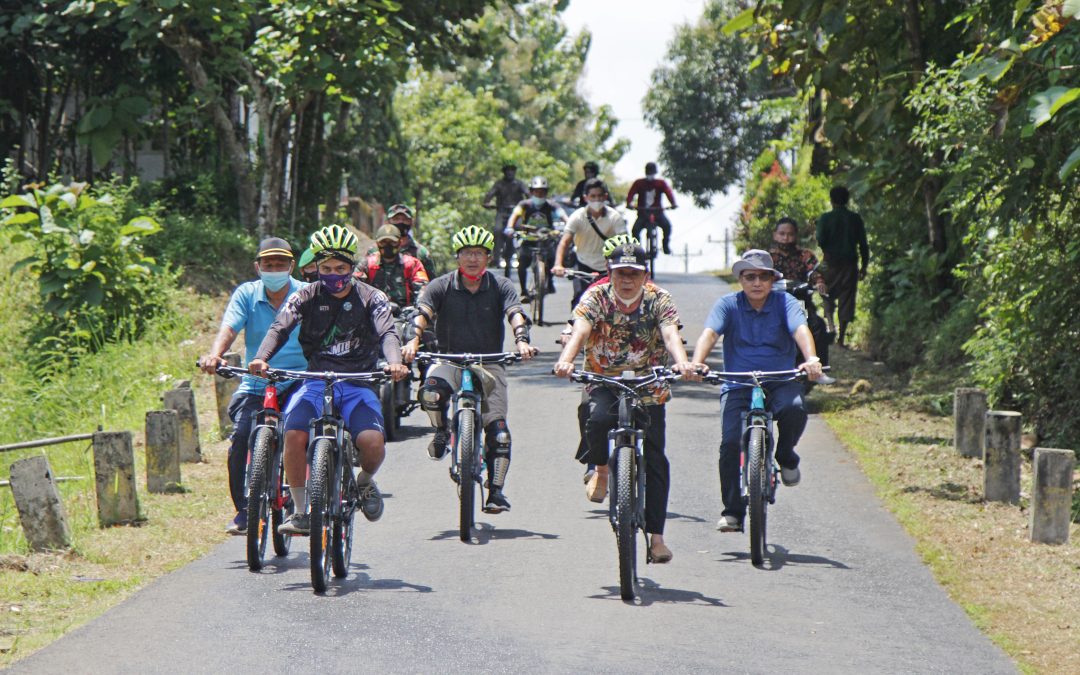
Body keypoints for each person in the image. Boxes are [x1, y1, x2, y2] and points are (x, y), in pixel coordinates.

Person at [249, 225, 409, 535]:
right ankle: (299, 511)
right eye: (326, 268)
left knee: (372, 443)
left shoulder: (372, 297)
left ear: (352, 266)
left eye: (340, 268)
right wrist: (262, 357)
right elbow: (280, 327)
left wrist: (394, 362)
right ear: (317, 267)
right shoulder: (305, 295)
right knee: (293, 435)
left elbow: (388, 332)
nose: (333, 274)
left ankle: (363, 483)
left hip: (358, 384)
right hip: (315, 382)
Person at [553, 241, 699, 564]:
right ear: (611, 273)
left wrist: (683, 363)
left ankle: (657, 538)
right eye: (621, 273)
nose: (627, 280)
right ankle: (602, 470)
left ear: (645, 274)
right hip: (604, 378)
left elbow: (671, 333)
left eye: (634, 273)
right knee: (596, 419)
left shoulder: (659, 299)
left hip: (649, 383)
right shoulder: (596, 297)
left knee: (657, 456)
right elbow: (580, 331)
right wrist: (566, 360)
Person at [401, 226, 538, 514]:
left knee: (499, 433)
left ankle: (496, 492)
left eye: (478, 253)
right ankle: (440, 431)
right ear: (457, 257)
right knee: (430, 394)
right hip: (449, 359)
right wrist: (413, 342)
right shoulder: (440, 285)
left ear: (488, 257)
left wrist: (522, 341)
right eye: (467, 253)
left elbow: (515, 313)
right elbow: (422, 313)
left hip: (489, 362)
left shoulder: (501, 285)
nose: (472, 259)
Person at [689, 249, 824, 533]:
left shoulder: (785, 301)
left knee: (796, 409)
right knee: (729, 445)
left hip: (780, 379)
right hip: (738, 383)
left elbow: (800, 329)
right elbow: (710, 334)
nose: (757, 283)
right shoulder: (728, 304)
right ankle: (732, 513)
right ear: (741, 279)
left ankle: (785, 455)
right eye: (750, 277)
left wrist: (810, 359)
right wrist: (697, 363)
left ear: (772, 279)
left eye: (764, 276)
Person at [198, 237, 308, 535]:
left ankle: (308, 494)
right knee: (240, 440)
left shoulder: (306, 293)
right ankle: (244, 511)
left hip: (300, 379)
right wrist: (215, 355)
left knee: (300, 434)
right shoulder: (246, 294)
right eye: (268, 264)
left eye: (280, 264)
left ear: (291, 266)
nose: (274, 269)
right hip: (257, 383)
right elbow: (230, 326)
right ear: (257, 267)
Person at [769, 217, 836, 385]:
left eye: (790, 234)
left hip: (800, 302)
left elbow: (813, 272)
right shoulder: (768, 258)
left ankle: (819, 369)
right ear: (775, 235)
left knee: (817, 326)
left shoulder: (805, 255)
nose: (786, 238)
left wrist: (819, 282)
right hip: (772, 303)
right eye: (782, 234)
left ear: (796, 236)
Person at [552, 178, 627, 309]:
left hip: (608, 268)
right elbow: (564, 242)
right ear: (586, 198)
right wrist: (558, 264)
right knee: (579, 300)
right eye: (593, 196)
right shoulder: (577, 217)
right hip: (582, 265)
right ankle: (574, 328)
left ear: (605, 197)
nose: (596, 200)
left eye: (599, 196)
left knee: (617, 303)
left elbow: (624, 244)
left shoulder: (614, 217)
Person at [815, 186, 869, 347]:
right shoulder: (855, 218)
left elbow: (820, 240)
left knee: (826, 294)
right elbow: (863, 244)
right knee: (847, 299)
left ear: (831, 200)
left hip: (829, 263)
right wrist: (864, 266)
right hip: (850, 264)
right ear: (847, 200)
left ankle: (831, 325)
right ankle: (842, 338)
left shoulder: (825, 218)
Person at [505, 176, 568, 301]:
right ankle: (523, 291)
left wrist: (569, 226)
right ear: (531, 192)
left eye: (542, 191)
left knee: (552, 257)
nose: (539, 194)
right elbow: (514, 216)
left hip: (546, 237)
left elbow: (563, 216)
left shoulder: (551, 205)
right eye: (536, 191)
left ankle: (549, 281)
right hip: (528, 238)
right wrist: (509, 228)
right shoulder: (524, 204)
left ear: (546, 192)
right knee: (522, 262)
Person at [356, 224, 429, 308]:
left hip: (405, 316)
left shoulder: (412, 264)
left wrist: (420, 309)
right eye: (383, 242)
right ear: (377, 243)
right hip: (373, 315)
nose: (388, 246)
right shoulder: (367, 264)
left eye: (392, 242)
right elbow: (354, 285)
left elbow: (423, 290)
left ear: (400, 242)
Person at [481, 164, 528, 270]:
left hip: (516, 212)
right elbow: (489, 196)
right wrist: (488, 203)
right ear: (504, 172)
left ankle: (522, 253)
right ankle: (496, 257)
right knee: (497, 230)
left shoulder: (519, 184)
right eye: (507, 170)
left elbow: (528, 194)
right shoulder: (499, 184)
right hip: (502, 212)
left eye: (512, 170)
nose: (510, 173)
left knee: (520, 229)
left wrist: (529, 204)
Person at [626, 161, 677, 255]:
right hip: (643, 213)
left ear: (655, 173)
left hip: (658, 212)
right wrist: (629, 203)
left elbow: (668, 193)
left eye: (652, 173)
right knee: (635, 230)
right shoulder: (639, 183)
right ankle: (637, 250)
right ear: (646, 173)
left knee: (667, 226)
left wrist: (673, 203)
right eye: (649, 173)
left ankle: (665, 245)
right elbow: (631, 193)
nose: (650, 175)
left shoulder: (661, 183)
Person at [379, 203, 437, 280]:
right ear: (387, 222)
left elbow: (432, 283)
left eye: (405, 219)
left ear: (411, 222)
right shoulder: (377, 249)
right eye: (396, 219)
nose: (401, 222)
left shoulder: (421, 253)